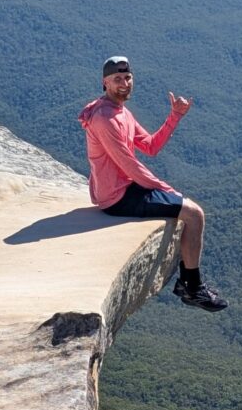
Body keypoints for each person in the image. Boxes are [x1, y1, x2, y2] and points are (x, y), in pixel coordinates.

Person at [78, 55, 228, 311]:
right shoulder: (105, 118)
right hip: (118, 197)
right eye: (117, 79)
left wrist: (175, 116)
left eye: (127, 77)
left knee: (189, 209)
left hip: (123, 187)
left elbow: (149, 146)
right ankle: (192, 288)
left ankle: (188, 285)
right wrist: (163, 188)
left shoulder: (119, 111)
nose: (124, 83)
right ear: (105, 82)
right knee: (194, 214)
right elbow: (130, 166)